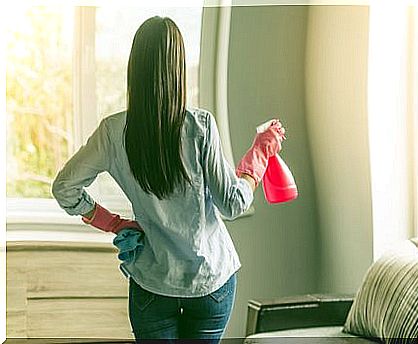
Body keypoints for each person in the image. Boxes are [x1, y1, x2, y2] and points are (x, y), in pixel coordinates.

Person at [51, 16, 285, 342]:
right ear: (178, 70)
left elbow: (64, 188)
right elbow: (232, 204)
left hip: (152, 283)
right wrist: (258, 156)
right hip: (210, 283)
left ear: (135, 68)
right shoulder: (200, 126)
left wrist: (113, 223)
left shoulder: (113, 131)